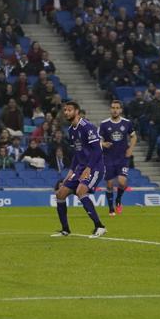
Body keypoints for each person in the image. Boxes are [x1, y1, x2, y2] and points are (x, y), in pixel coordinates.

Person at [52, 101, 107, 238]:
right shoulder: (71, 130)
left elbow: (97, 151)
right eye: (65, 110)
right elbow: (77, 153)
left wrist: (88, 168)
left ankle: (100, 226)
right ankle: (65, 230)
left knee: (80, 191)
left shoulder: (87, 127)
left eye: (69, 110)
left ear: (77, 112)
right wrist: (71, 172)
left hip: (95, 167)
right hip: (81, 167)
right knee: (60, 194)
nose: (66, 112)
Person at [99, 100, 137, 216]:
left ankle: (118, 200)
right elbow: (98, 140)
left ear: (120, 110)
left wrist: (130, 149)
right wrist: (103, 144)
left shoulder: (127, 123)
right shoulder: (104, 124)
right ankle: (111, 208)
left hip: (122, 158)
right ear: (110, 109)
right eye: (113, 107)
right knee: (109, 184)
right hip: (108, 158)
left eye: (117, 108)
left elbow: (134, 136)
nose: (115, 110)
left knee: (122, 182)